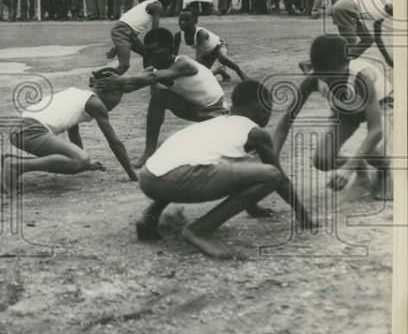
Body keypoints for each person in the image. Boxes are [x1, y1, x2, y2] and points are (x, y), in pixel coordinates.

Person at [135, 80, 315, 258]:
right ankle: (200, 230)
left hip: (148, 179)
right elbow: (280, 180)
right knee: (271, 175)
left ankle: (150, 215)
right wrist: (303, 215)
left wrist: (252, 206)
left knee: (196, 159)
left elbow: (233, 171)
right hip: (178, 179)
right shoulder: (256, 133)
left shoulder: (216, 122)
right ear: (262, 110)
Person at [273, 35, 391, 202]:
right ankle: (360, 167)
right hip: (347, 111)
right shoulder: (313, 79)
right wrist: (272, 158)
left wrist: (347, 169)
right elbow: (286, 120)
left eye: (334, 76)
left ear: (347, 61)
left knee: (373, 150)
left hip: (383, 104)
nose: (331, 82)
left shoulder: (361, 77)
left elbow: (376, 130)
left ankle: (385, 170)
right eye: (324, 78)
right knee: (323, 160)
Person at [95, 27, 227, 167]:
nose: (152, 58)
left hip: (216, 112)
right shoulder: (156, 68)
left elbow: (151, 77)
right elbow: (130, 86)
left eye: (156, 53)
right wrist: (103, 82)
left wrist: (120, 80)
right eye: (149, 53)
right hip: (194, 109)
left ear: (171, 49)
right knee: (160, 96)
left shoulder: (184, 63)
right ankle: (148, 153)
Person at [3, 68, 138, 191]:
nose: (117, 102)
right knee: (81, 161)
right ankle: (16, 165)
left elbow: (74, 134)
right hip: (30, 131)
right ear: (113, 91)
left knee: (82, 160)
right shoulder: (95, 104)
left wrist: (87, 164)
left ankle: (11, 160)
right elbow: (114, 142)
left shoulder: (78, 94)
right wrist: (133, 175)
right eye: (119, 96)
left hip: (19, 129)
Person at [173, 9, 248, 82]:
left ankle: (239, 71)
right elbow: (173, 55)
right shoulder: (178, 36)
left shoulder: (200, 33)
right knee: (200, 76)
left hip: (219, 46)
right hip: (207, 54)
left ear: (195, 21)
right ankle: (219, 70)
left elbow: (199, 57)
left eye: (186, 20)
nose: (182, 22)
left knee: (222, 58)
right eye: (180, 20)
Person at [107, 0, 163, 74]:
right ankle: (100, 81)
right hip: (123, 30)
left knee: (147, 54)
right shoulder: (157, 6)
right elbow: (154, 29)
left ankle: (148, 78)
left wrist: (117, 48)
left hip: (128, 32)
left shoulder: (150, 3)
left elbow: (131, 23)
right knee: (124, 65)